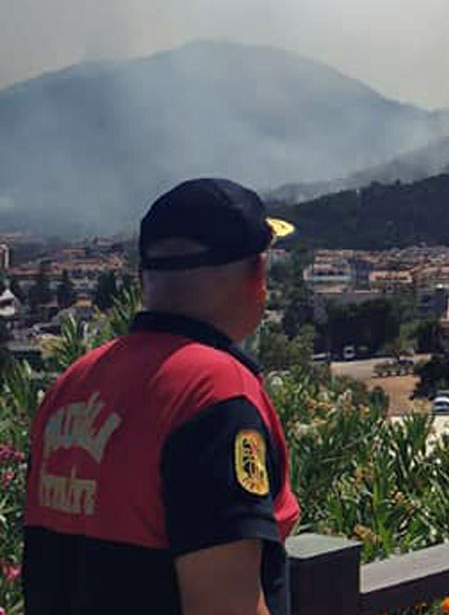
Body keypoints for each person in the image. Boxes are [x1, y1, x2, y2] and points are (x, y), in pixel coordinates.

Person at [23, 178, 300, 615]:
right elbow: (225, 607)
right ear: (258, 275)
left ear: (142, 277)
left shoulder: (73, 384)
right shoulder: (216, 394)